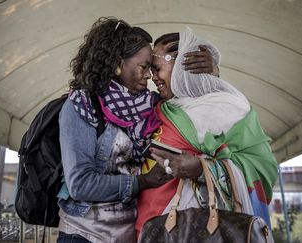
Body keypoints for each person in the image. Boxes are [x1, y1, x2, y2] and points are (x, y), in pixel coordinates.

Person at [56, 18, 216, 243]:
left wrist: (210, 72)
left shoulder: (148, 105)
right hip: (85, 234)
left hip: (131, 233)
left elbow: (188, 99)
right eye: (143, 67)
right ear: (117, 64)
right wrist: (142, 182)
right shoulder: (82, 105)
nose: (150, 75)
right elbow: (80, 184)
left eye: (152, 68)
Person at [135, 28, 279, 237]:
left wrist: (202, 169)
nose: (152, 78)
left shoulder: (228, 107)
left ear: (182, 67)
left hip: (199, 231)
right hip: (150, 229)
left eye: (157, 69)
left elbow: (262, 167)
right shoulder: (157, 107)